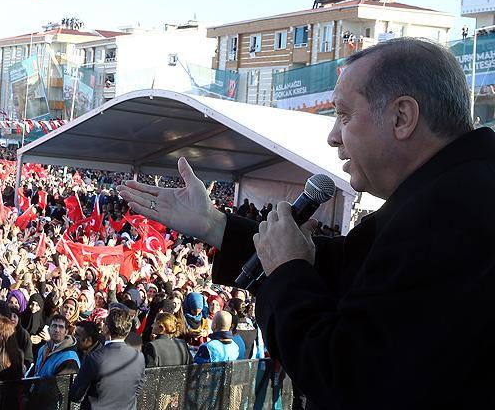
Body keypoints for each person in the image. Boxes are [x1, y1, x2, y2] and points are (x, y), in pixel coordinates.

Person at [118, 37, 494, 408]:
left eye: (344, 115)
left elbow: (349, 378)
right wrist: (213, 224)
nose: (333, 137)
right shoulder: (456, 192)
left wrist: (286, 272)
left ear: (401, 117)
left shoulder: (452, 215)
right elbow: (346, 265)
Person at [69, 307, 146, 410]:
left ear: (106, 329)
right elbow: (138, 389)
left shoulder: (94, 358)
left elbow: (76, 395)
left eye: (104, 324)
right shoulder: (139, 357)